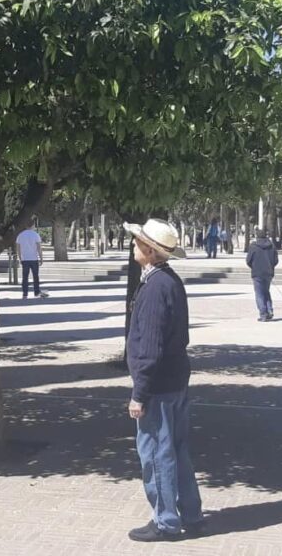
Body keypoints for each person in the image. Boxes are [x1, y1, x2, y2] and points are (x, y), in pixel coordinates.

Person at [122, 218, 203, 542]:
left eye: (138, 242)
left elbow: (151, 347)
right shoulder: (168, 281)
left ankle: (166, 521)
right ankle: (191, 513)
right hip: (174, 379)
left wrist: (139, 393)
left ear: (150, 251)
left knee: (156, 452)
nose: (133, 245)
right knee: (177, 450)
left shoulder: (156, 287)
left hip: (159, 385)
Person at [246, 228, 278, 321]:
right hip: (268, 273)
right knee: (266, 292)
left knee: (259, 294)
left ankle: (263, 313)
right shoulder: (271, 246)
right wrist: (270, 267)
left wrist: (254, 267)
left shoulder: (253, 246)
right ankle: (269, 310)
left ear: (257, 236)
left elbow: (248, 260)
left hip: (257, 273)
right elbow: (276, 260)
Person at [15, 222, 48, 299]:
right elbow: (39, 248)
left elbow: (18, 248)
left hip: (25, 259)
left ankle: (25, 293)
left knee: (25, 277)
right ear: (33, 226)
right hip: (34, 258)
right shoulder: (36, 235)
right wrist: (41, 258)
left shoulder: (20, 235)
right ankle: (36, 292)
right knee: (35, 276)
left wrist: (20, 258)